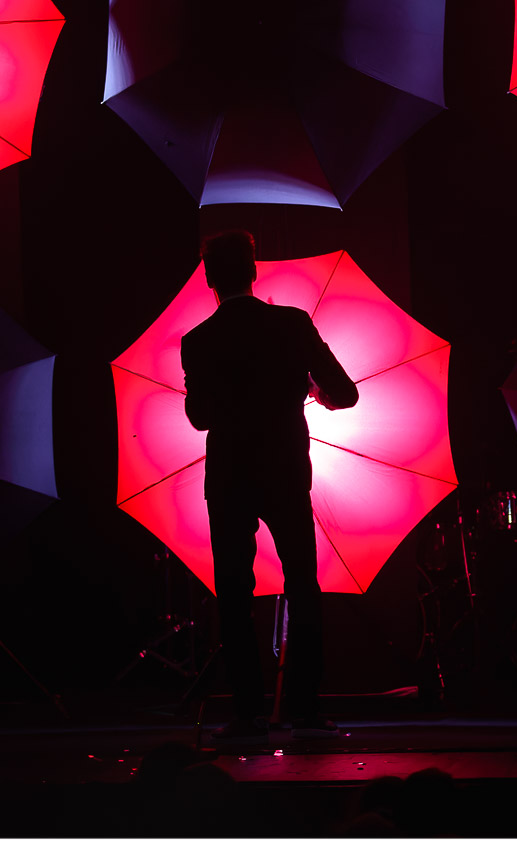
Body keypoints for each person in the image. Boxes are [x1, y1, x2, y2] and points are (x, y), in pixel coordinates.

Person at [180, 230, 358, 743]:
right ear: (254, 271)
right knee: (303, 587)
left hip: (230, 477)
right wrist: (313, 391)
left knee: (234, 594)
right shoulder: (293, 324)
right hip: (285, 472)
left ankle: (246, 712)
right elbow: (345, 393)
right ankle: (303, 708)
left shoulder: (198, 341)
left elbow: (198, 418)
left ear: (210, 278)